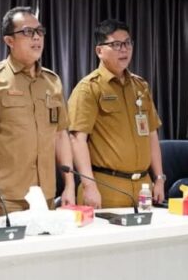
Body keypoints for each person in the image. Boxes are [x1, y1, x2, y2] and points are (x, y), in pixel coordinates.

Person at [0, 6, 75, 216]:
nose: (37, 37)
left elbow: (61, 135)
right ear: (9, 40)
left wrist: (69, 185)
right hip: (7, 196)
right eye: (27, 32)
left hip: (46, 194)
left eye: (39, 31)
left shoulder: (52, 81)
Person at [68, 19, 166, 208]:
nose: (124, 49)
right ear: (99, 50)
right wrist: (89, 186)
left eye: (127, 43)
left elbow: (152, 134)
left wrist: (159, 178)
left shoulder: (140, 86)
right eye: (116, 44)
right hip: (107, 187)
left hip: (143, 187)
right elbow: (77, 140)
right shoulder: (89, 88)